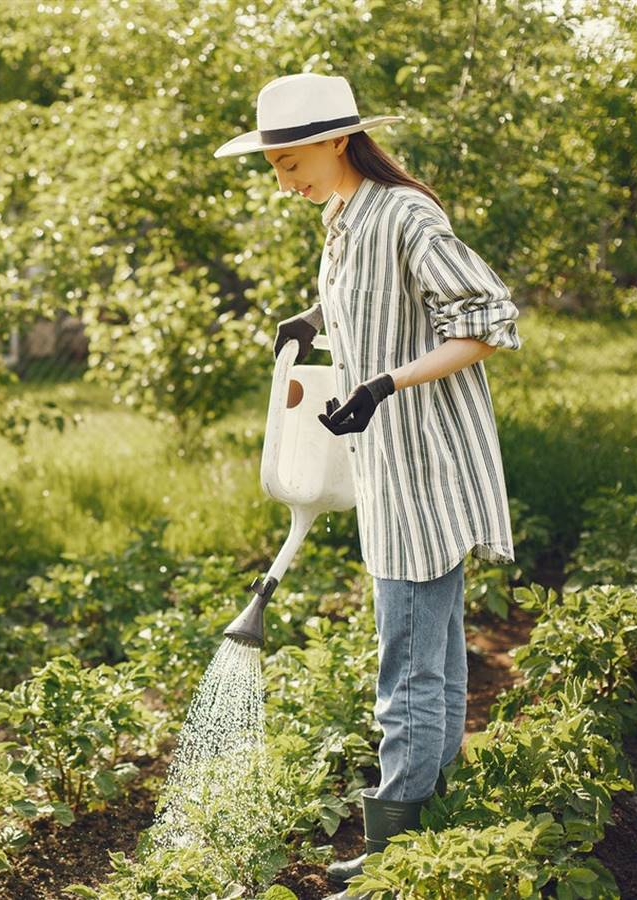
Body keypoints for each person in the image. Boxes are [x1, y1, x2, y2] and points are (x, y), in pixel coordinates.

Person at [214, 73, 522, 898]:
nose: (284, 178)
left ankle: (397, 850)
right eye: (274, 165)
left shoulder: (405, 215)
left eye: (292, 160)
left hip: (425, 462)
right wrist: (312, 322)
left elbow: (490, 320)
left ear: (339, 140)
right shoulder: (341, 218)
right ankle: (432, 824)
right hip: (387, 466)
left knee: (408, 664)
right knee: (435, 651)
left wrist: (385, 384)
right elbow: (372, 304)